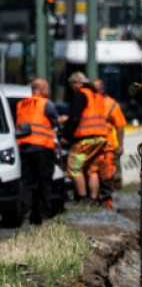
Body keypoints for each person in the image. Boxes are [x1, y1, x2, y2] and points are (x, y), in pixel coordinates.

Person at [15, 77, 60, 225]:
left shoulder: (21, 104)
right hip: (42, 148)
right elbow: (55, 120)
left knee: (27, 182)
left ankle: (26, 213)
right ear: (41, 89)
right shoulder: (46, 104)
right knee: (44, 182)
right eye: (46, 88)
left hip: (24, 148)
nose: (48, 91)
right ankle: (43, 214)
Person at [62, 71, 110, 204]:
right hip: (100, 138)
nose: (72, 88)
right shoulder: (97, 95)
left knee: (74, 166)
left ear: (77, 83)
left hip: (86, 138)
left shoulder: (81, 94)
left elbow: (75, 117)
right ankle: (93, 198)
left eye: (72, 84)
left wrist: (67, 135)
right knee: (92, 169)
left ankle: (83, 198)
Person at [93, 78, 126, 209]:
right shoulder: (89, 103)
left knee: (107, 175)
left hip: (107, 147)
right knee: (93, 174)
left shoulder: (111, 105)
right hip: (91, 147)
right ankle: (95, 201)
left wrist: (120, 145)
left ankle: (107, 203)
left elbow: (120, 126)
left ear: (102, 90)